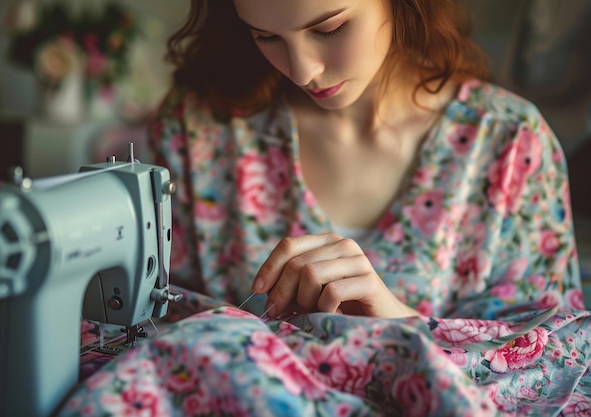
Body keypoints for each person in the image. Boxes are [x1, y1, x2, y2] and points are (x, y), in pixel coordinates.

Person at [59, 0, 591, 416]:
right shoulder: (202, 126)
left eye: (330, 27)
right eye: (266, 36)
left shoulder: (508, 146)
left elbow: (560, 366)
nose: (303, 69)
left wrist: (402, 325)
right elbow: (151, 325)